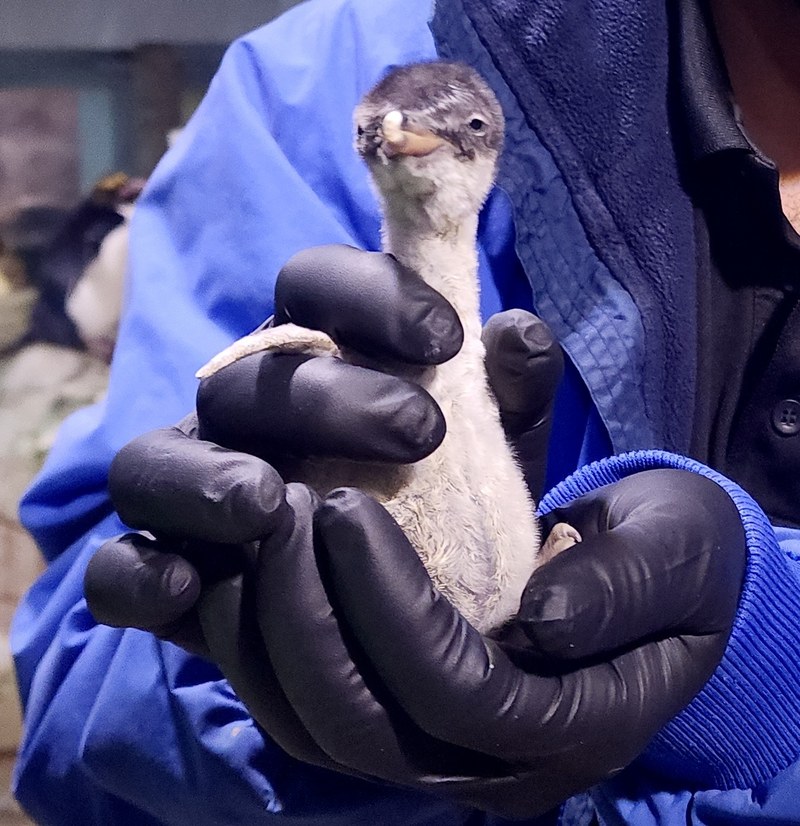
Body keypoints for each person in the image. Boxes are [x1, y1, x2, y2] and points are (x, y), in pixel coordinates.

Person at [11, 0, 800, 822]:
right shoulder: (320, 80)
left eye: (453, 130)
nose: (403, 138)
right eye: (378, 133)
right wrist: (249, 681)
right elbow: (89, 671)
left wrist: (767, 670)